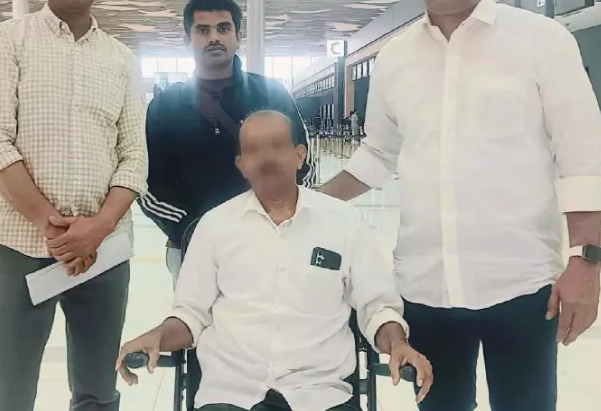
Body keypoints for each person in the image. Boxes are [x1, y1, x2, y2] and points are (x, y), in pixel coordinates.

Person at [320, 0, 601, 410]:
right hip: (425, 288)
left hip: (522, 286)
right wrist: (308, 202)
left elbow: (580, 157)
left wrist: (586, 261)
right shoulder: (396, 58)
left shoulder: (543, 41)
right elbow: (378, 153)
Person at [117, 110, 433, 411]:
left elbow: (377, 306)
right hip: (231, 392)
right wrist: (158, 335)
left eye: (277, 146)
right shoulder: (215, 226)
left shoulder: (345, 223)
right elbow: (190, 314)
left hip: (322, 393)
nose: (266, 158)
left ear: (300, 155)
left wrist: (398, 344)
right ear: (242, 165)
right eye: (253, 150)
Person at [0, 0, 147, 410]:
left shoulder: (122, 60)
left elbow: (134, 158)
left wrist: (97, 228)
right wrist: (52, 225)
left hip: (103, 253)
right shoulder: (8, 41)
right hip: (19, 249)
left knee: (97, 391)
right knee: (7, 393)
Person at [138, 0, 313, 285]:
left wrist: (276, 219)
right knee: (197, 315)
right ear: (188, 40)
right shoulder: (165, 106)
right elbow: (147, 183)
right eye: (203, 30)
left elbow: (303, 163)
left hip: (270, 243)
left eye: (223, 28)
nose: (214, 38)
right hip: (193, 247)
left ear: (237, 36)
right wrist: (193, 230)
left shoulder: (270, 93)